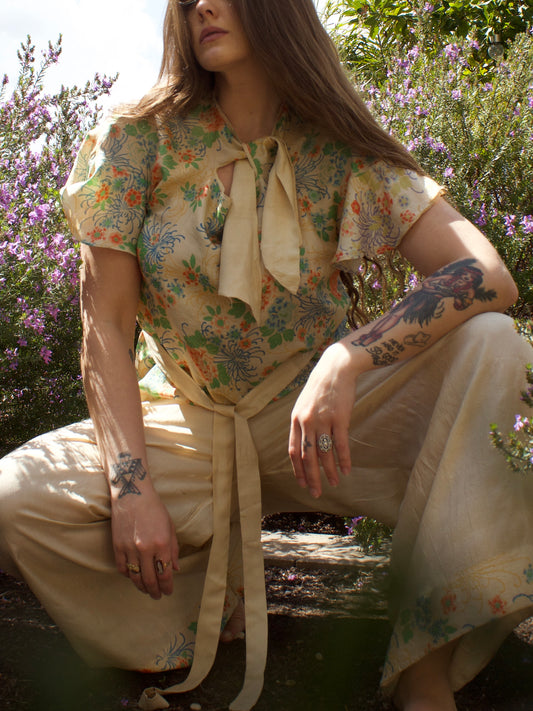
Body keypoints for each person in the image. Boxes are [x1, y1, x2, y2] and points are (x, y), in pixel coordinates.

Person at [0, 0, 532, 709]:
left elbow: (486, 275)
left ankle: (425, 664)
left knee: (493, 343)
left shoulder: (339, 147)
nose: (203, 6)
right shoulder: (135, 139)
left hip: (317, 430)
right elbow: (105, 327)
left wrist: (347, 357)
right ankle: (199, 607)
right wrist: (132, 490)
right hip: (187, 424)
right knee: (16, 502)